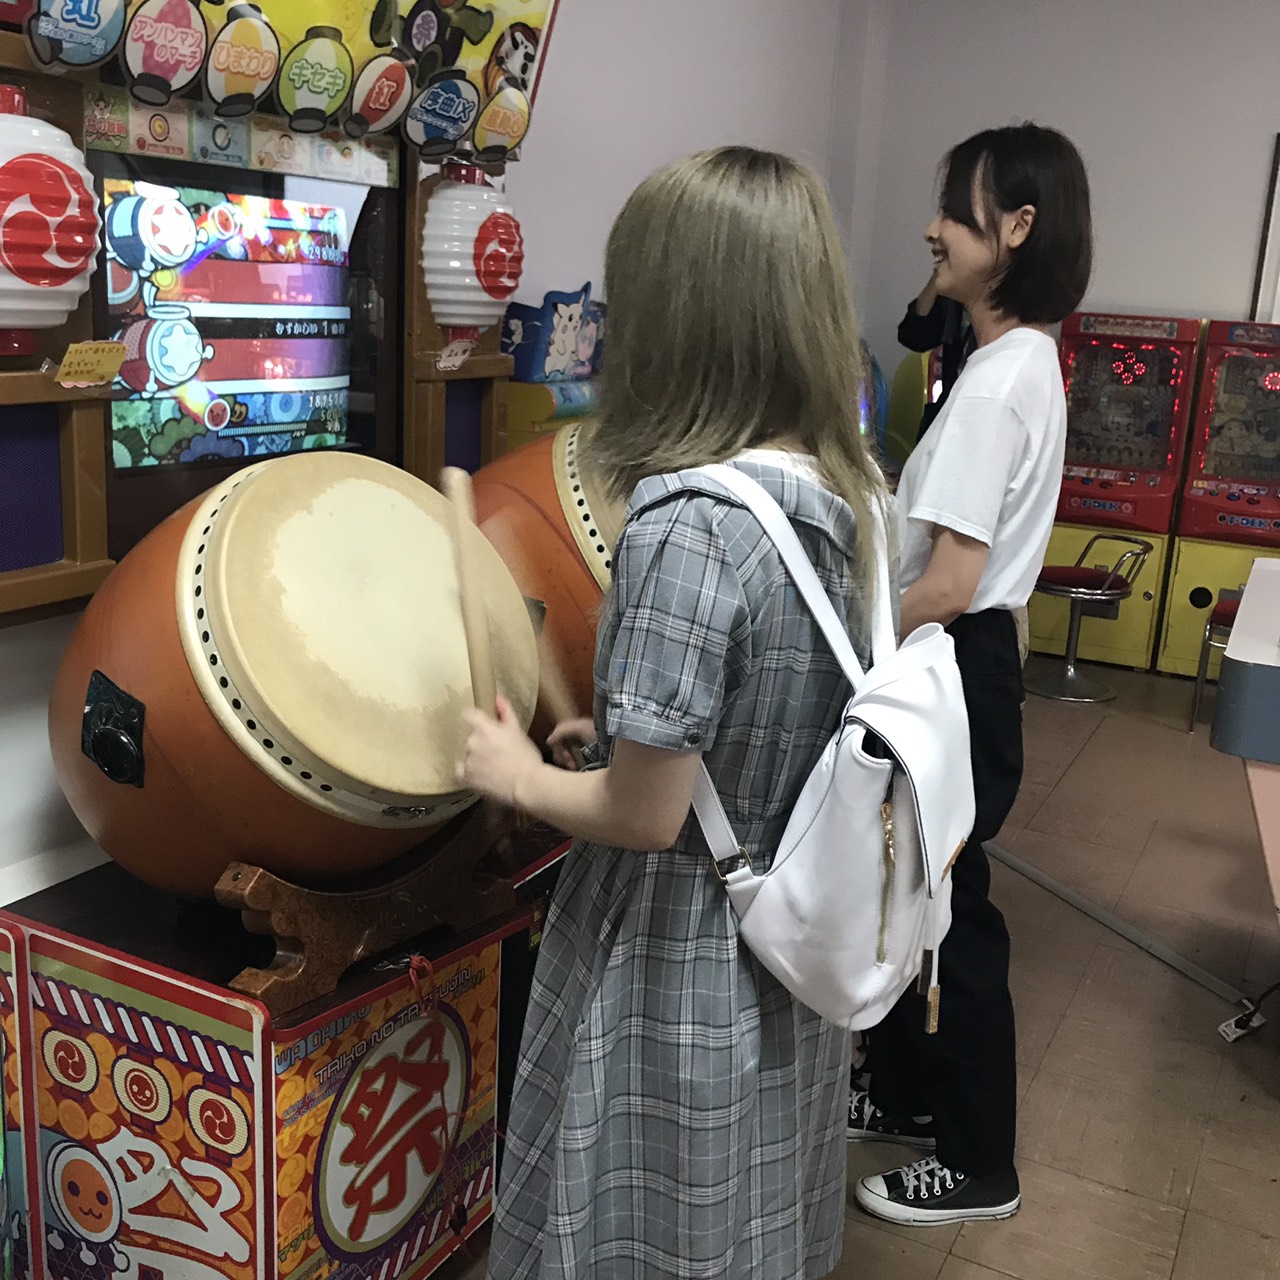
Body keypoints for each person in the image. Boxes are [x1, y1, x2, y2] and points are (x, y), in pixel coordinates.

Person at [458, 145, 890, 1280]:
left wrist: (513, 771)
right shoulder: (851, 494)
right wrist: (617, 743)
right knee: (747, 1214)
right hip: (794, 933)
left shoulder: (686, 520)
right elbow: (769, 724)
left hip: (679, 951)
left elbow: (644, 816)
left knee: (636, 1222)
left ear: (674, 317)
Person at [850, 122, 1093, 1226]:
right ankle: (906, 1093)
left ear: (1016, 228)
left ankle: (977, 1159)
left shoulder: (998, 383)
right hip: (965, 659)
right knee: (917, 888)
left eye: (955, 209)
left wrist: (847, 635)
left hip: (955, 657)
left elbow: (948, 582)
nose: (931, 228)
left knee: (953, 910)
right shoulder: (1015, 361)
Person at [897, 275, 975, 442]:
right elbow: (912, 336)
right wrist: (939, 276)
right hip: (946, 413)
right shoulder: (953, 301)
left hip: (975, 419)